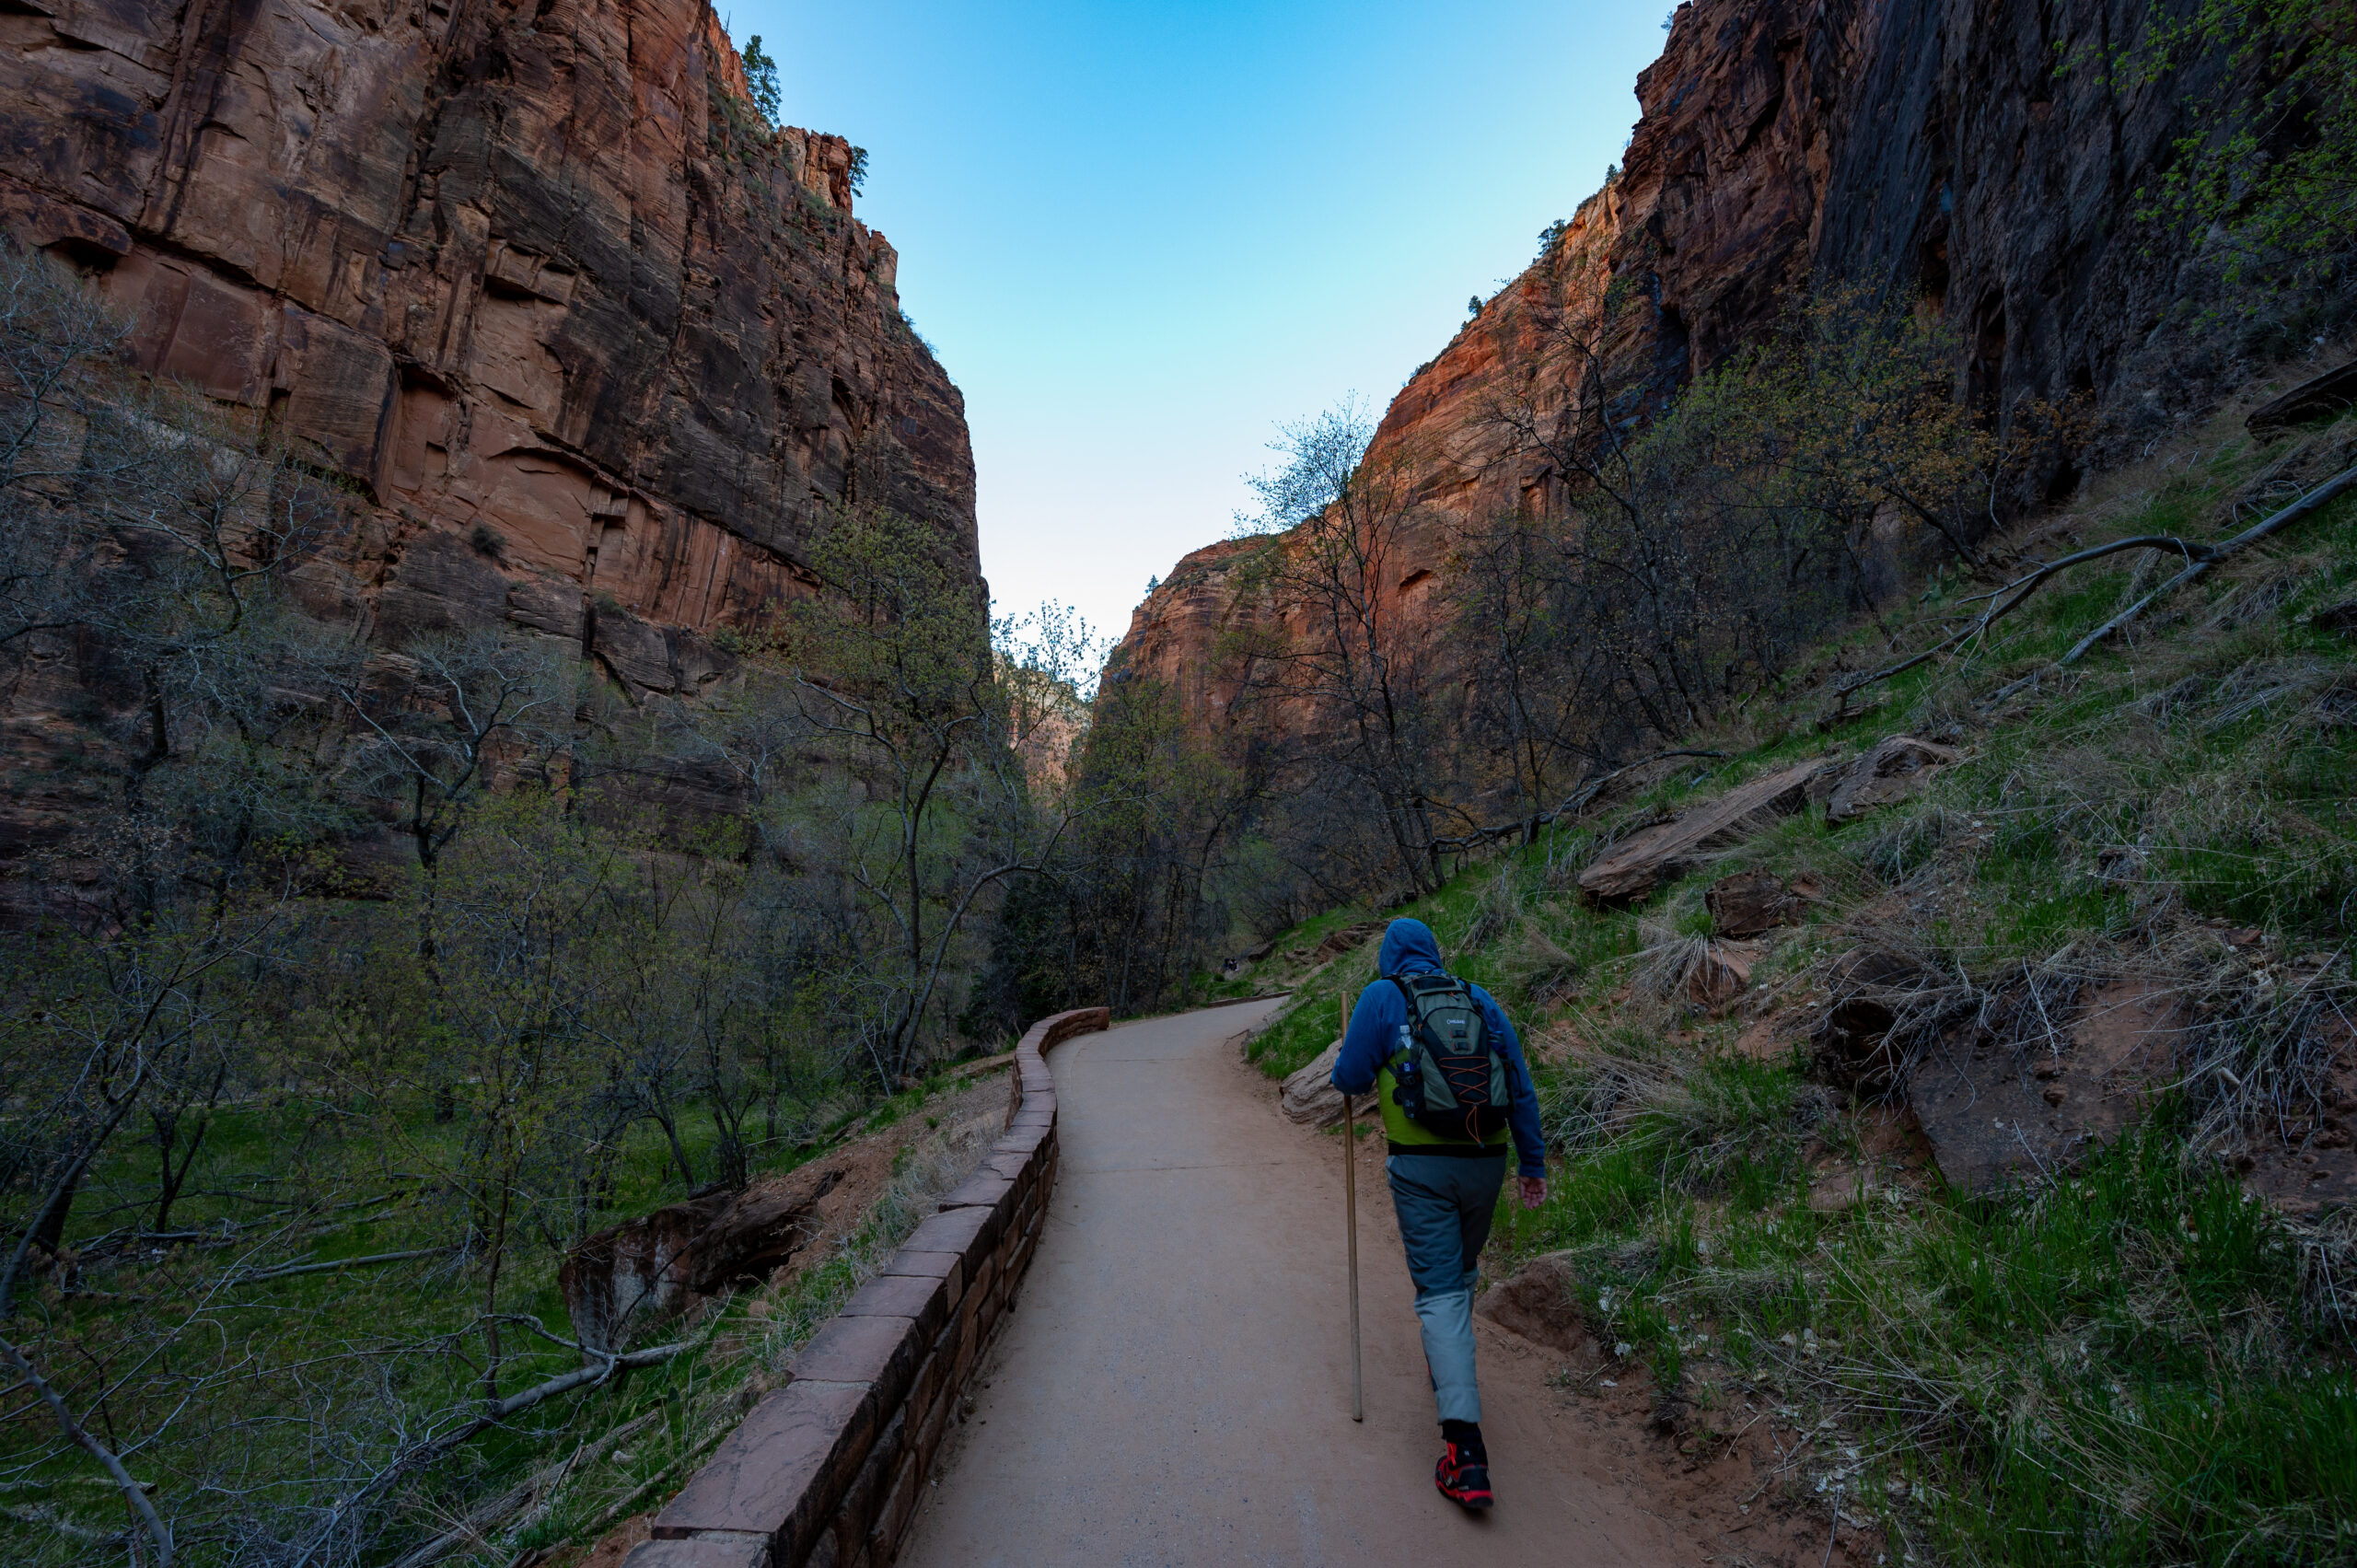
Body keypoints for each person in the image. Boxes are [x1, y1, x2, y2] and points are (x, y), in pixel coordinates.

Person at [1330, 917, 1546, 1511]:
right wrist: (1534, 1163)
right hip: (1488, 1160)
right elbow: (1520, 1086)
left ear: (1389, 958)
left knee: (1441, 1291)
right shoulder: (1479, 998)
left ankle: (1464, 1455)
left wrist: (1343, 1064)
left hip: (1420, 1167)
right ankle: (1445, 1359)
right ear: (1434, 953)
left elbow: (1348, 1079)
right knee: (1461, 1271)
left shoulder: (1382, 996)